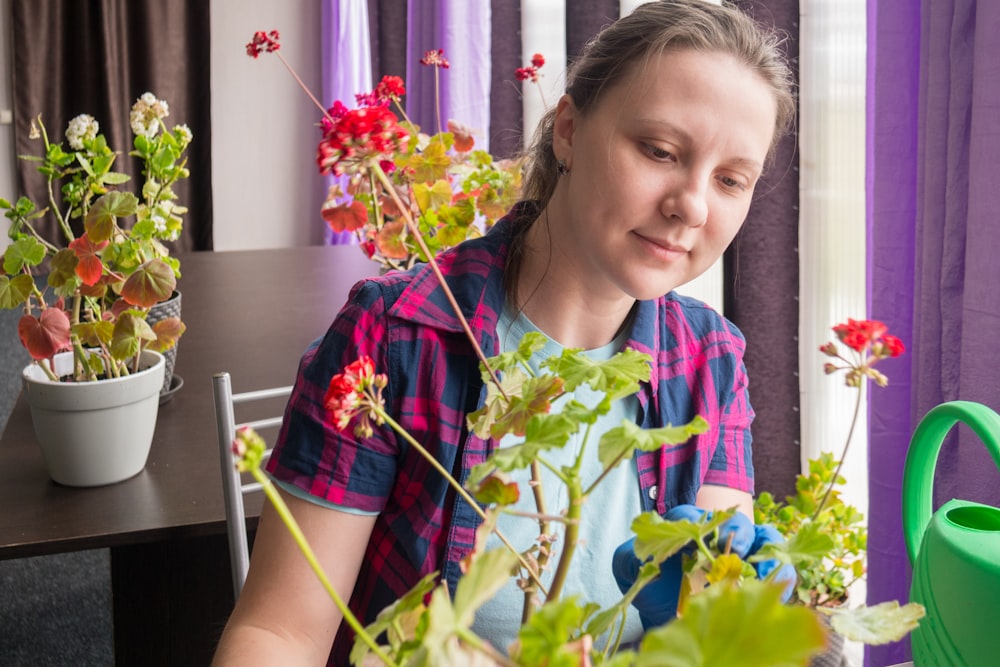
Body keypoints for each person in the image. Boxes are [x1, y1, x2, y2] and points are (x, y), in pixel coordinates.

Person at [213, 0, 797, 664]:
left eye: (731, 180)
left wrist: (734, 620)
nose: (691, 204)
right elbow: (280, 634)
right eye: (660, 150)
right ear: (569, 130)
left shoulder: (709, 359)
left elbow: (704, 624)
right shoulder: (396, 338)